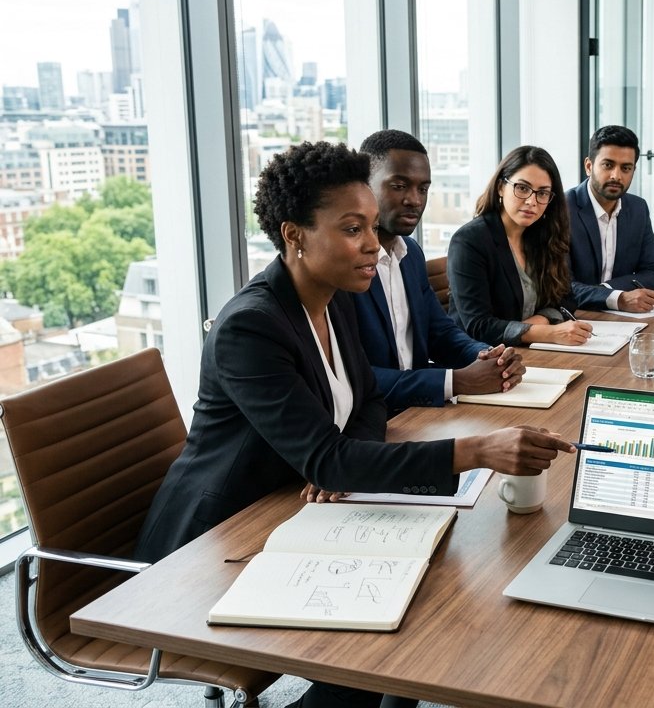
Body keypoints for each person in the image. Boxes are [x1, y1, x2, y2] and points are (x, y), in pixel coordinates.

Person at [134, 141, 575, 708]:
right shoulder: (251, 327)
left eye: (370, 225)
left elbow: (365, 402)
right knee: (393, 632)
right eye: (352, 229)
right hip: (218, 539)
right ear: (294, 235)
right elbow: (326, 456)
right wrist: (477, 450)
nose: (373, 245)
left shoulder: (333, 295)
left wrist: (345, 463)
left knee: (436, 587)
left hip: (299, 507)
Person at [352, 129, 525, 415]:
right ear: (364, 184)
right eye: (399, 186)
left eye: (423, 188)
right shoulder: (346, 267)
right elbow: (354, 376)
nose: (414, 200)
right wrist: (454, 381)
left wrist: (487, 357)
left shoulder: (410, 253)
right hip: (374, 420)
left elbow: (438, 332)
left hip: (420, 411)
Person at [447, 145, 592, 347]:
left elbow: (566, 299)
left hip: (526, 351)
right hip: (479, 359)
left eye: (542, 193)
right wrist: (547, 333)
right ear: (500, 187)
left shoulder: (543, 235)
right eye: (522, 188)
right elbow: (479, 326)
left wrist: (535, 325)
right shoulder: (469, 241)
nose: (532, 201)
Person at [566, 125, 654, 313]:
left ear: (633, 171)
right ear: (589, 166)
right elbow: (561, 288)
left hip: (622, 319)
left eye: (626, 168)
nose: (616, 176)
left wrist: (606, 291)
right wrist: (618, 298)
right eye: (608, 165)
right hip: (575, 318)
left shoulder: (638, 208)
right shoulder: (563, 210)